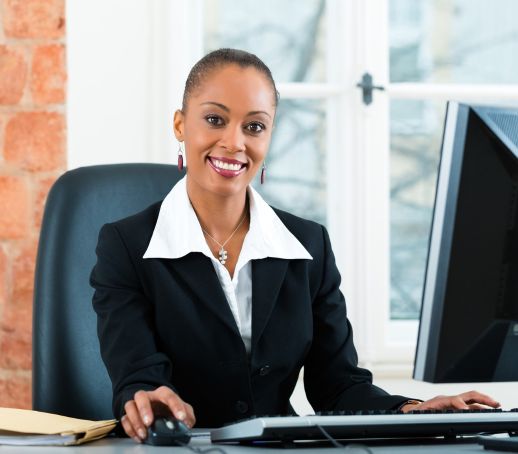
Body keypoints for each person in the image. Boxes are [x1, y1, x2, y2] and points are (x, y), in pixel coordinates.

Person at [90, 48, 499, 443]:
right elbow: (138, 377)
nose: (234, 142)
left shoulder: (307, 247)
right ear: (180, 124)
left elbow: (338, 388)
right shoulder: (126, 245)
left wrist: (415, 410)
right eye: (215, 119)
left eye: (254, 126)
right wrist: (150, 403)